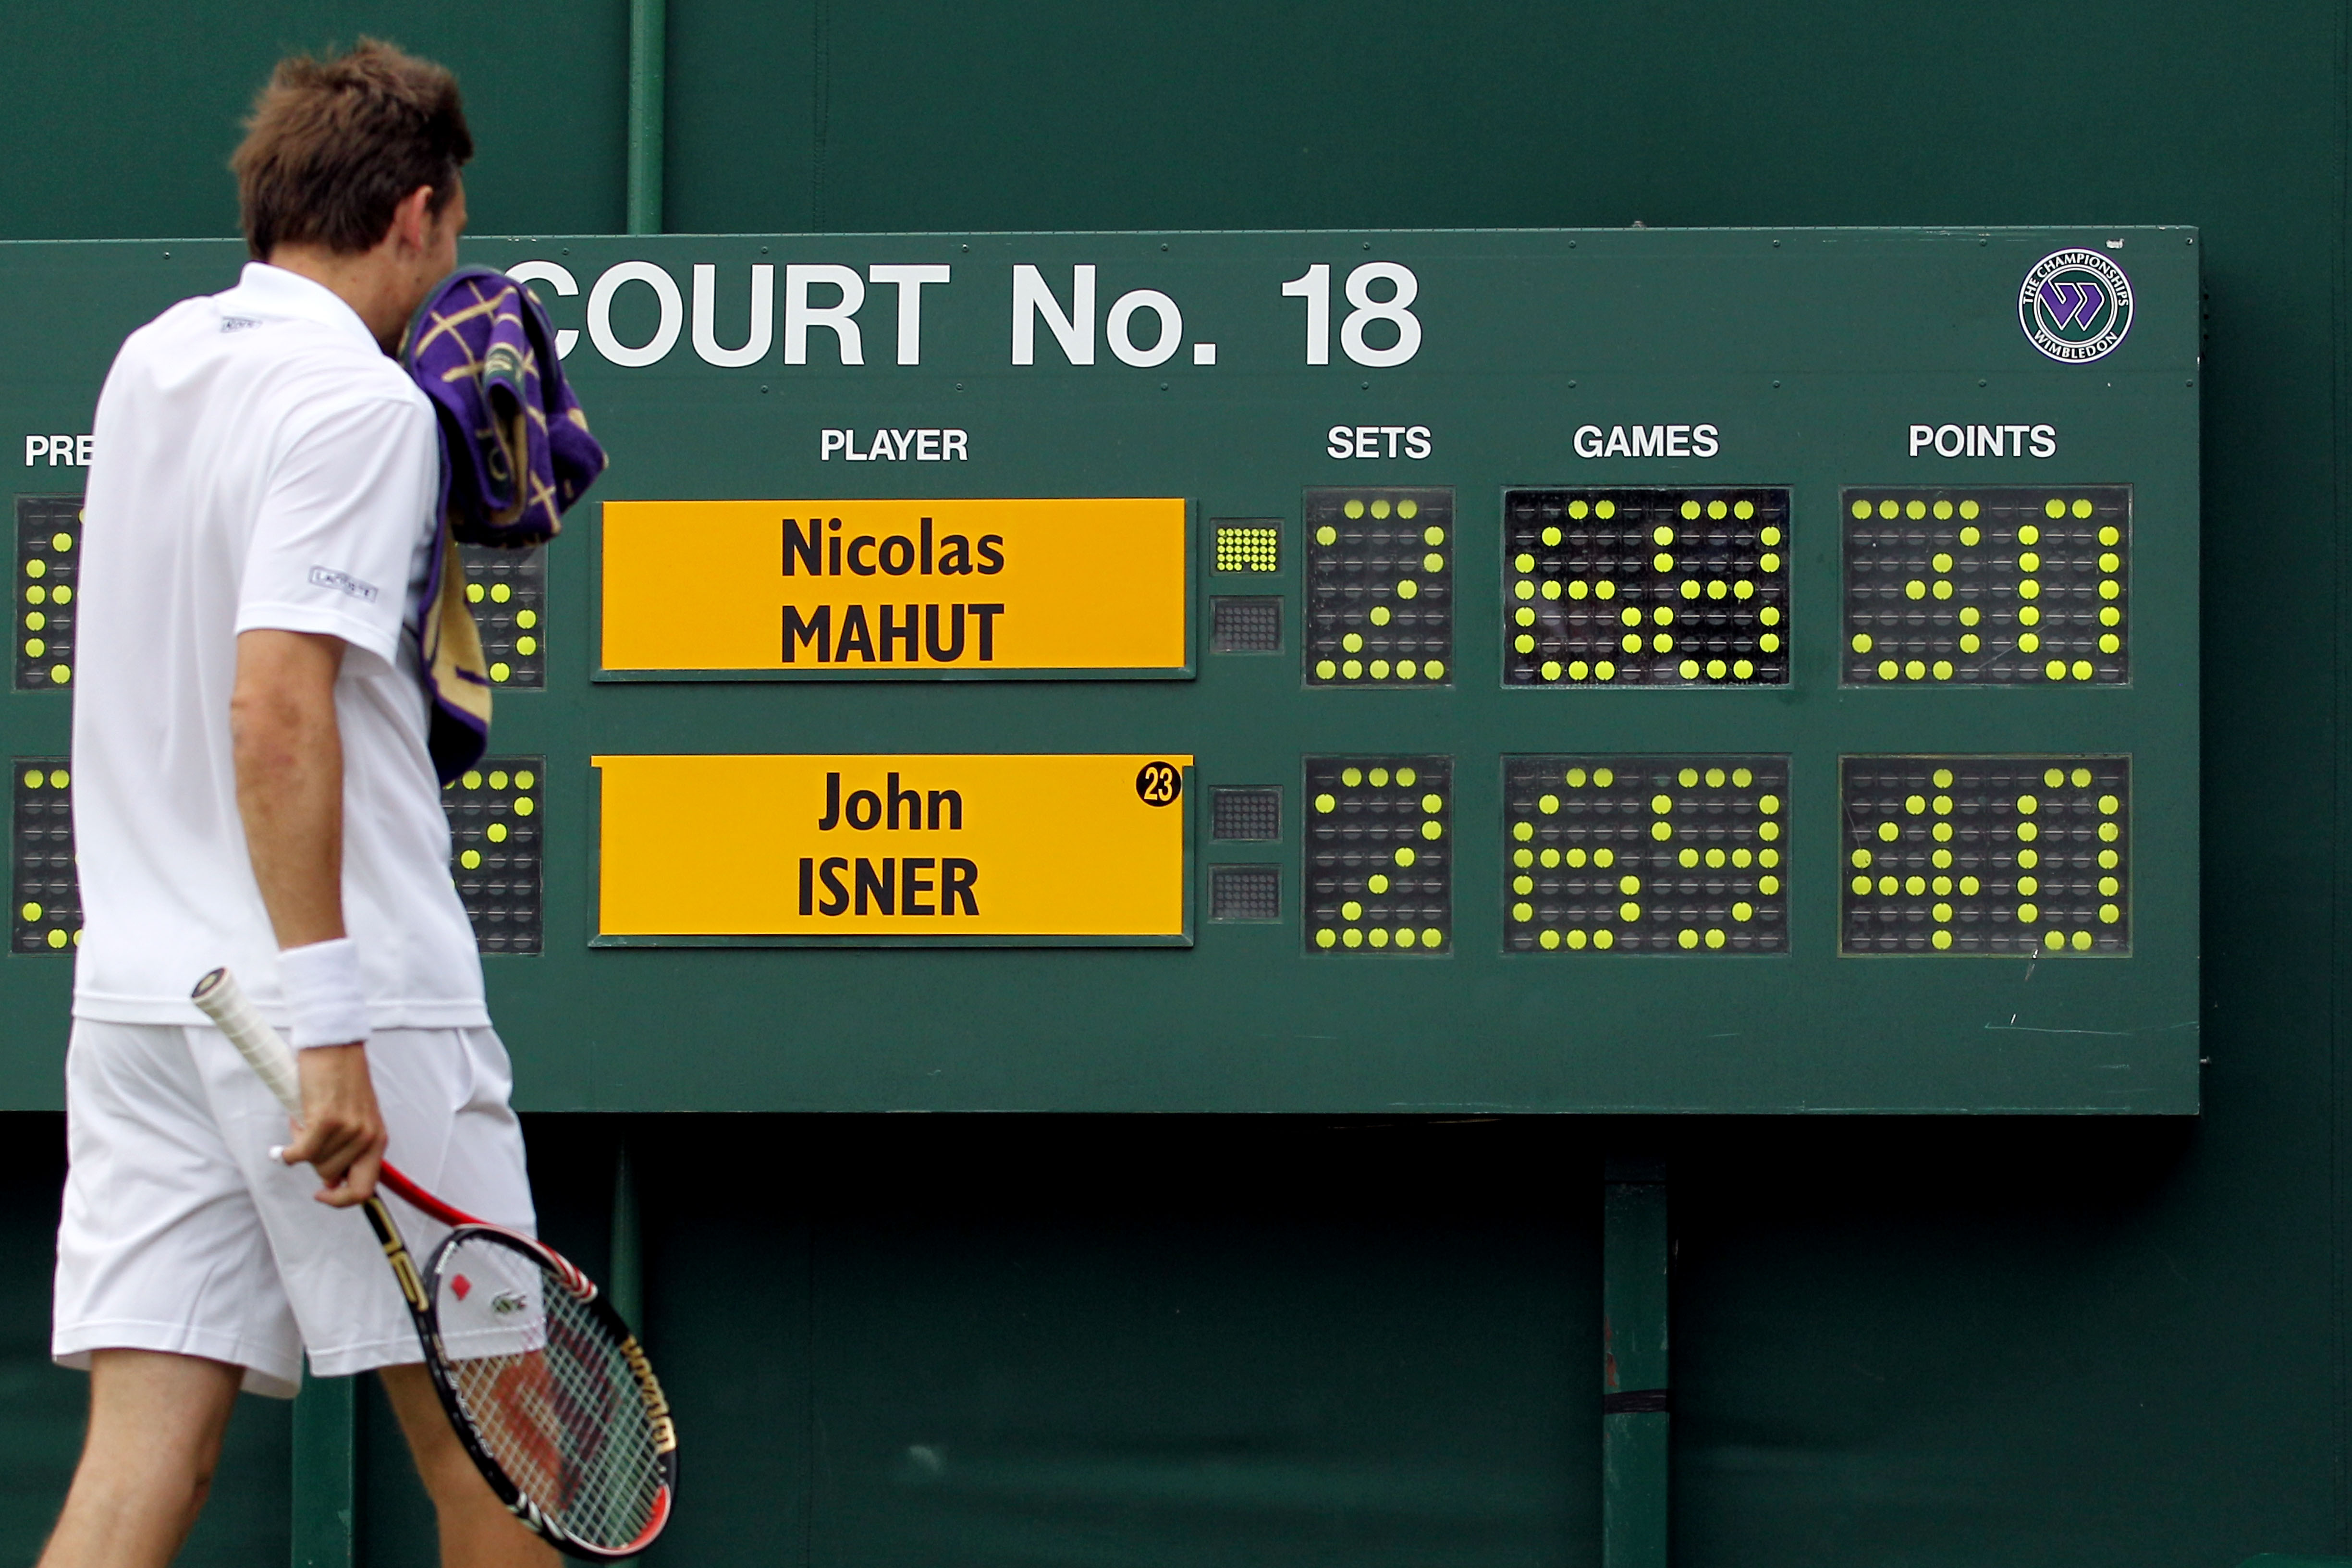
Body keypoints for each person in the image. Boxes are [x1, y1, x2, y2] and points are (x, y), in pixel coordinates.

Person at [40, 41, 553, 1568]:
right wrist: (329, 1029)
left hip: (147, 1005)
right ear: (415, 213)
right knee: (509, 1474)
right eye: (450, 231)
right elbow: (275, 707)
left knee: (141, 1475)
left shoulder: (153, 361)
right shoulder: (364, 410)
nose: (450, 259)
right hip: (345, 1013)